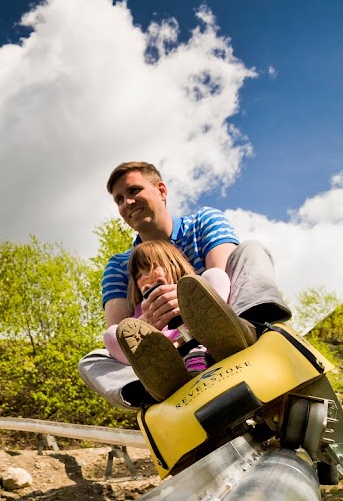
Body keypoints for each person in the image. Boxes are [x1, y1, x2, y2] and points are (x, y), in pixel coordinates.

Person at [79, 161, 291, 407]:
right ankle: (156, 383)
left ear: (161, 190)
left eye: (134, 191)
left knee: (250, 249)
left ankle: (252, 327)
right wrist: (147, 322)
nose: (127, 203)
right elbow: (118, 333)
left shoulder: (203, 221)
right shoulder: (119, 265)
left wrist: (189, 302)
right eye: (119, 200)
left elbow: (222, 275)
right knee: (91, 361)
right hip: (167, 350)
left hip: (225, 319)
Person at [102, 240, 230, 399]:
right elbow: (119, 339)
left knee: (214, 275)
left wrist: (186, 297)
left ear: (173, 265)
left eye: (152, 267)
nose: (145, 276)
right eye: (139, 275)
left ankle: (222, 336)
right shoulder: (140, 311)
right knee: (112, 334)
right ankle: (154, 381)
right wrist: (148, 317)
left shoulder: (192, 289)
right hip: (170, 364)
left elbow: (217, 280)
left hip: (210, 344)